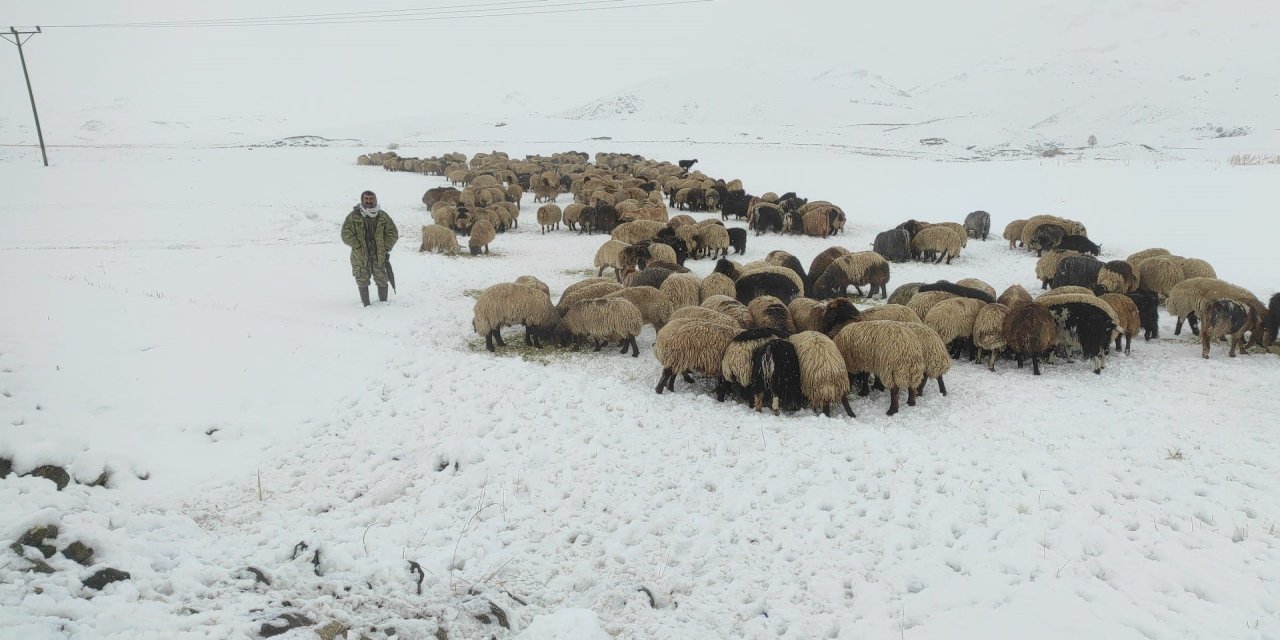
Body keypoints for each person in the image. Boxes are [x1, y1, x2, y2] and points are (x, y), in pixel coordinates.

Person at [341, 190, 398, 306]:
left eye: (371, 199)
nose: (368, 201)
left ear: (375, 200)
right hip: (361, 254)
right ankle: (365, 304)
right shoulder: (353, 216)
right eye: (366, 199)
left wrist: (385, 247)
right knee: (362, 278)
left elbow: (392, 232)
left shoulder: (382, 216)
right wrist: (357, 245)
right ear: (362, 200)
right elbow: (345, 233)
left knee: (381, 278)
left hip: (379, 253)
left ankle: (383, 304)